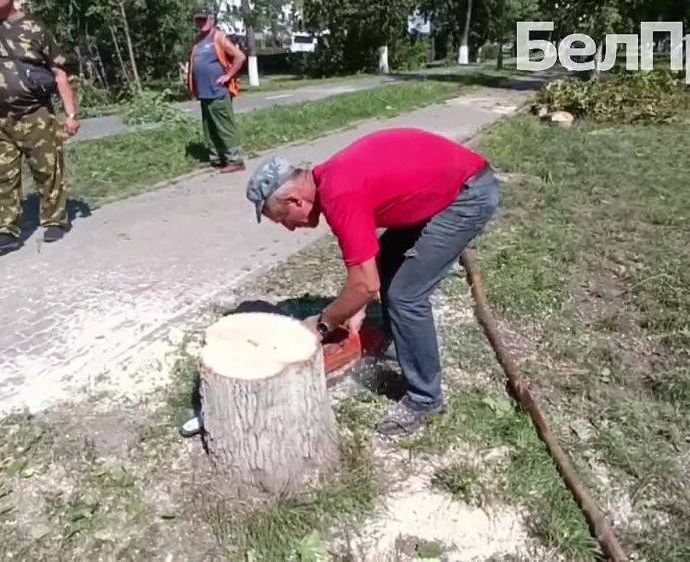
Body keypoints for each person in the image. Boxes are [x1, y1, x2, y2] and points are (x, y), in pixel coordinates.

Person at [245, 128, 501, 436]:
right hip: (447, 188)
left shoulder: (339, 194)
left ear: (294, 199)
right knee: (390, 263)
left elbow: (364, 283)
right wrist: (357, 304)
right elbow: (368, 273)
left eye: (282, 218)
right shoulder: (332, 179)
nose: (289, 229)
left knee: (406, 296)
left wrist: (322, 324)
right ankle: (400, 341)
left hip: (466, 196)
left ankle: (425, 399)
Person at [0, 0, 80, 251]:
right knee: (3, 173)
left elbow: (59, 74)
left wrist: (70, 114)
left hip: (34, 113)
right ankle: (3, 230)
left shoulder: (34, 28)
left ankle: (54, 220)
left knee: (48, 170)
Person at [188, 8, 246, 174]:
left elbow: (239, 56)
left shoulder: (218, 37)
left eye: (204, 19)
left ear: (212, 20)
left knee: (224, 126)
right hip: (204, 93)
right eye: (198, 20)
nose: (201, 23)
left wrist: (228, 76)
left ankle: (235, 160)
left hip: (218, 91)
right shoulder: (198, 41)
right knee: (210, 128)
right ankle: (217, 158)